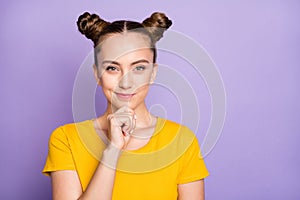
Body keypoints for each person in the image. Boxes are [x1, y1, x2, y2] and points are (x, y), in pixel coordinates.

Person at [42, 11, 209, 200]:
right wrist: (112, 150)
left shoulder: (181, 141)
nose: (126, 82)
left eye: (138, 68)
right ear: (97, 74)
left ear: (153, 73)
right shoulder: (66, 140)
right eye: (112, 68)